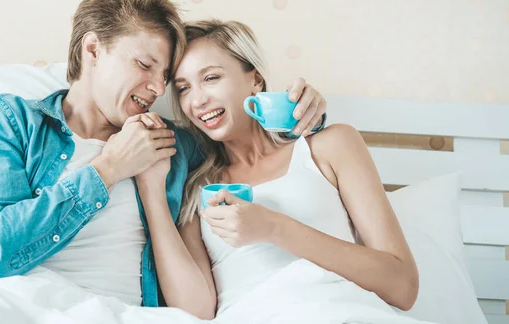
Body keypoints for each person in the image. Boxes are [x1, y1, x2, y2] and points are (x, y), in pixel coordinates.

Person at [0, 0, 327, 317]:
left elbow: (247, 150)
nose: (156, 89)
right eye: (144, 66)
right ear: (92, 49)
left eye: (165, 78)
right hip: (6, 307)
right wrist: (108, 167)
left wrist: (304, 117)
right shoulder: (6, 120)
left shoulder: (177, 148)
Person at [168, 20, 420, 317]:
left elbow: (402, 286)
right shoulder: (194, 189)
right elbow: (196, 314)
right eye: (183, 88)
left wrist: (274, 228)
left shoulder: (329, 146)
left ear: (256, 80)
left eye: (211, 78)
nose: (197, 100)